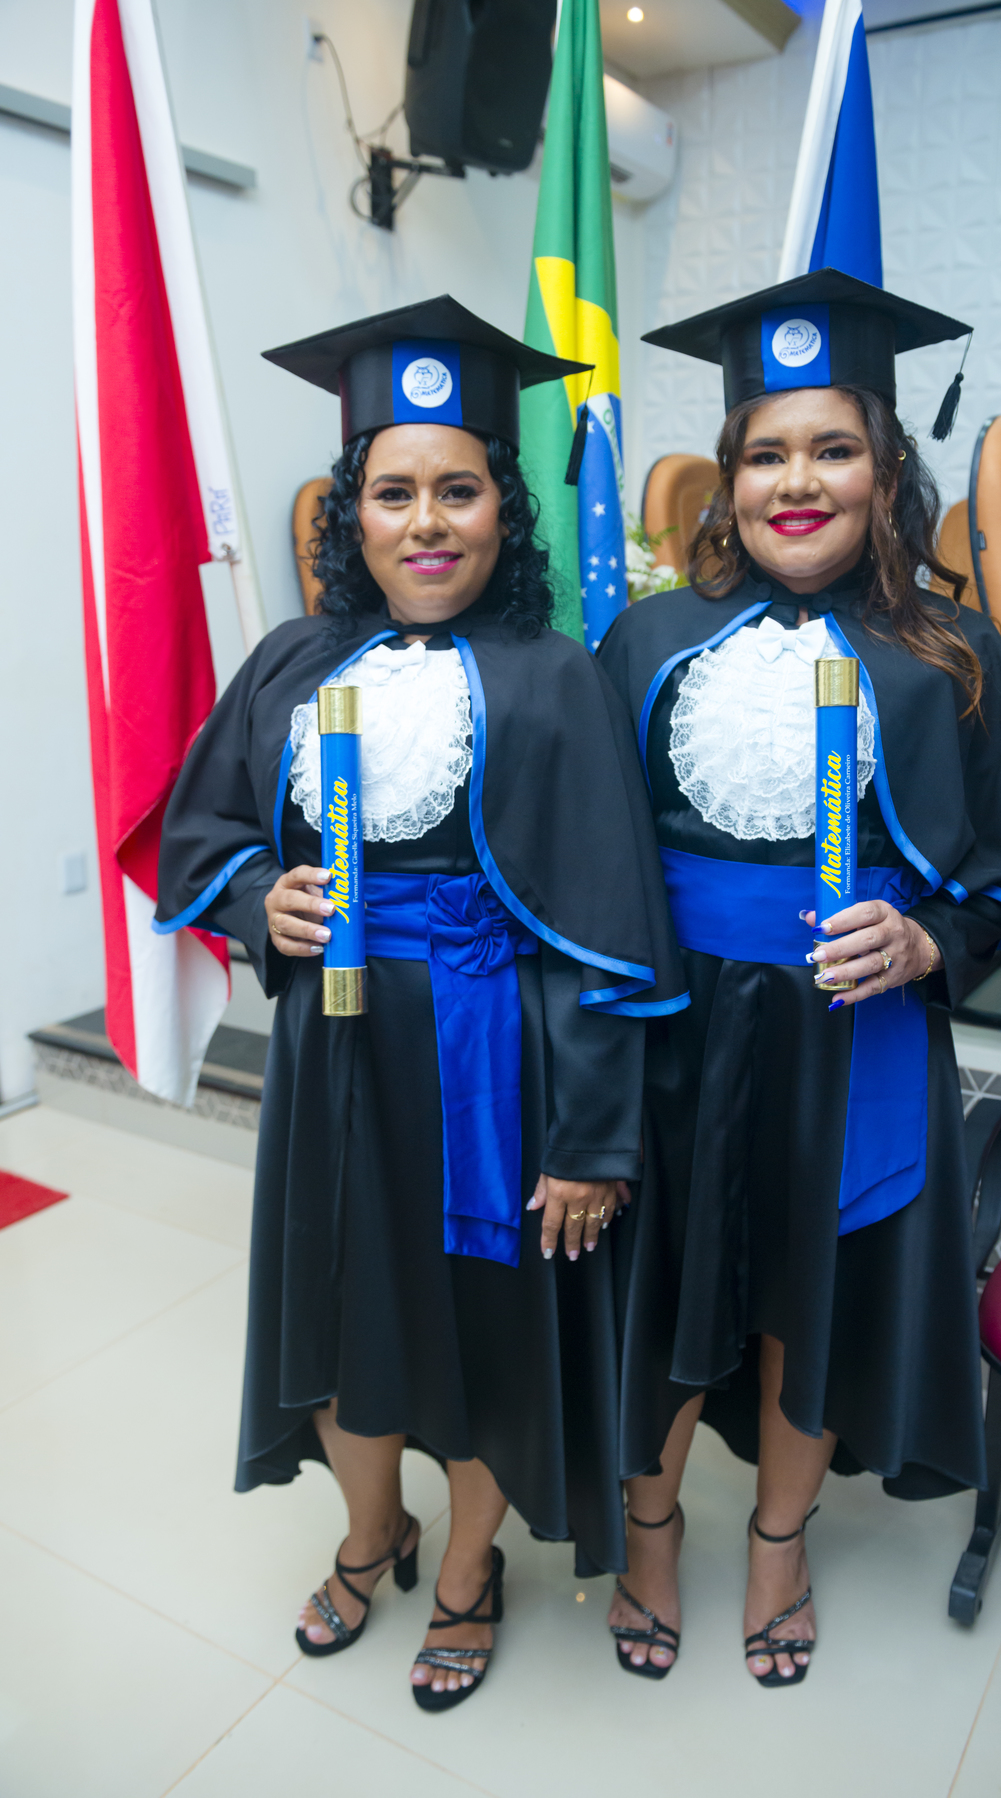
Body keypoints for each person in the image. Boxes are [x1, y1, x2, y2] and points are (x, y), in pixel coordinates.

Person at [155, 297, 686, 1712]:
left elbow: (607, 929)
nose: (427, 521)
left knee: (478, 1327)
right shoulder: (289, 661)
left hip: (492, 1055)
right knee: (337, 1307)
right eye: (394, 492)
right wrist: (257, 895)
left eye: (460, 489)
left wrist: (592, 1135)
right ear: (353, 512)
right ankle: (368, 1528)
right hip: (332, 1056)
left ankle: (463, 1567)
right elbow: (204, 834)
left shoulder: (555, 677)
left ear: (505, 510)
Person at [598, 269, 1001, 1687]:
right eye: (766, 453)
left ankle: (780, 1544)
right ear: (727, 477)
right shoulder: (644, 643)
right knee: (660, 1286)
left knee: (811, 1292)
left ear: (886, 469)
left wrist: (931, 939)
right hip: (676, 1024)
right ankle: (648, 1529)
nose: (797, 482)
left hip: (852, 1034)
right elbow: (582, 852)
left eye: (833, 449)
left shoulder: (951, 653)